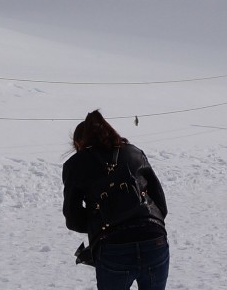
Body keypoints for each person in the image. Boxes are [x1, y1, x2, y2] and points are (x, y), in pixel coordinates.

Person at [63, 110, 169, 290]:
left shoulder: (76, 163)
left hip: (113, 246)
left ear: (79, 143)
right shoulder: (134, 152)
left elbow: (73, 219)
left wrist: (99, 221)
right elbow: (161, 205)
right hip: (154, 239)